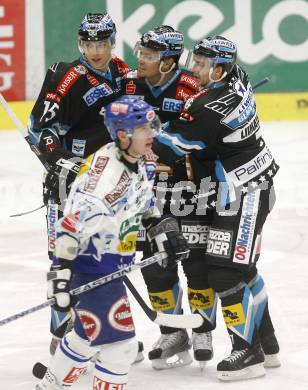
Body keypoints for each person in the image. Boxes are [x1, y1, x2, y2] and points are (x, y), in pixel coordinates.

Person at [35, 96, 190, 390]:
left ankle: (50, 386)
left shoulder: (138, 160)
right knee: (122, 349)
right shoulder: (103, 178)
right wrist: (59, 275)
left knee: (83, 338)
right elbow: (70, 225)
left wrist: (160, 228)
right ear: (123, 135)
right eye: (145, 129)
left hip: (108, 267)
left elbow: (142, 202)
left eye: (151, 125)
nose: (153, 133)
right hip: (91, 271)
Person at [153, 36, 280, 381]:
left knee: (224, 270)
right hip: (246, 183)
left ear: (219, 69)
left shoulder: (207, 106)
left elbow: (168, 149)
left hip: (245, 192)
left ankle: (249, 352)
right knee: (243, 267)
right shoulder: (237, 76)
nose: (191, 69)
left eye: (199, 65)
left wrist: (140, 127)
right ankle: (267, 341)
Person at [27, 12, 147, 358]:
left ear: (112, 42)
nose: (95, 51)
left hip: (111, 183)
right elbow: (41, 130)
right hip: (70, 184)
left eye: (102, 44)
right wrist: (62, 162)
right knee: (64, 257)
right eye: (88, 44)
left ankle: (103, 331)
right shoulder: (66, 76)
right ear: (81, 44)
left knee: (105, 256)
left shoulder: (123, 72)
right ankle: (63, 335)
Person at [122, 25, 216, 369]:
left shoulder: (192, 87)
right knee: (155, 263)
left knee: (195, 261)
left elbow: (209, 138)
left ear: (168, 61)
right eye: (141, 53)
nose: (141, 60)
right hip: (146, 192)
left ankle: (203, 328)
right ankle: (172, 329)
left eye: (149, 56)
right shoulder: (130, 84)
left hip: (190, 189)